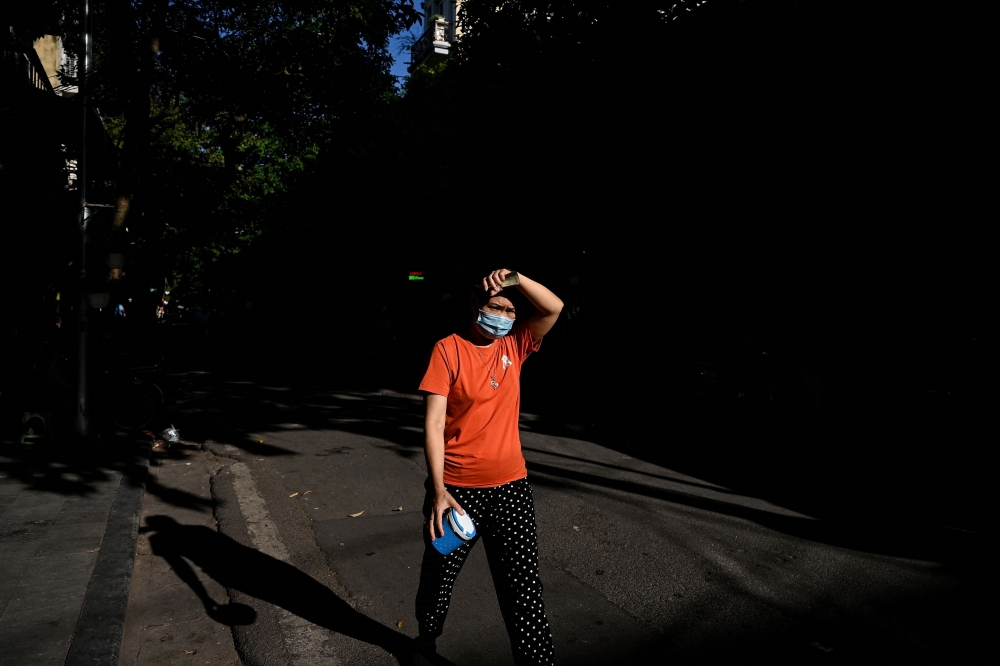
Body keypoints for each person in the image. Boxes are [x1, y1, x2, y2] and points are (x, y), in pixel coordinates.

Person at [414, 268, 563, 665]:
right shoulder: (447, 350)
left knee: (523, 589)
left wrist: (515, 278)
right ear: (475, 305)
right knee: (439, 574)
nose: (503, 316)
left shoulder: (515, 345)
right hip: (457, 496)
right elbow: (433, 423)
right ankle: (425, 640)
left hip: (511, 490)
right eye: (496, 306)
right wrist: (440, 491)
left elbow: (554, 306)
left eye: (512, 311)